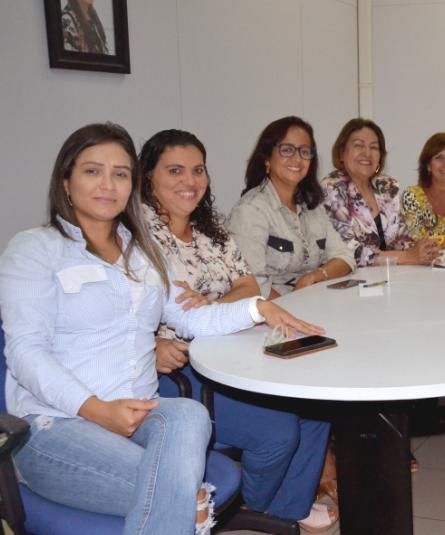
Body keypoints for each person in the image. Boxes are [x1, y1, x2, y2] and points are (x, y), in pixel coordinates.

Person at [0, 123, 321, 535]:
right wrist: (96, 410)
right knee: (183, 493)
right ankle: (191, 503)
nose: (108, 185)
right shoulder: (35, 248)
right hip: (59, 424)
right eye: (93, 171)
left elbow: (192, 317)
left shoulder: (142, 251)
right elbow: (25, 352)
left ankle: (188, 503)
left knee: (189, 414)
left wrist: (257, 308)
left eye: (120, 174)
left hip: (140, 412)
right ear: (66, 180)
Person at [140, 129, 338, 533]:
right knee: (279, 432)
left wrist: (210, 306)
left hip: (234, 345)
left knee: (316, 410)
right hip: (179, 369)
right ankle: (251, 505)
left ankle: (287, 505)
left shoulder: (210, 229)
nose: (189, 181)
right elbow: (159, 311)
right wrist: (217, 307)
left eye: (198, 170)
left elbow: (250, 286)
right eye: (175, 171)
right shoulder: (141, 236)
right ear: (148, 178)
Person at [228, 116, 355, 299]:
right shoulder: (250, 211)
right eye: (287, 150)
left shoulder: (312, 205)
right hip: (273, 309)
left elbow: (345, 257)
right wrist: (291, 309)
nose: (297, 158)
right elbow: (252, 284)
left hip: (312, 301)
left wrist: (315, 276)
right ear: (267, 158)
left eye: (304, 151)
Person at [322, 118, 441, 267]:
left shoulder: (387, 186)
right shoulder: (332, 188)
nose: (367, 153)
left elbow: (401, 237)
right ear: (341, 153)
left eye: (374, 147)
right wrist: (407, 256)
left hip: (390, 274)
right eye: (358, 145)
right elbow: (347, 252)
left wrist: (422, 250)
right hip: (350, 277)